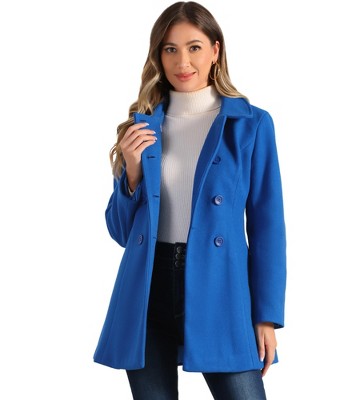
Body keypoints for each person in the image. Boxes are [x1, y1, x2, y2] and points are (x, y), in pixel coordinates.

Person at [93, 2, 286, 399]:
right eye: (170, 49)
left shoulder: (250, 124)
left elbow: (267, 226)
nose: (182, 61)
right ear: (158, 56)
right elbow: (121, 233)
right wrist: (131, 174)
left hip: (221, 288)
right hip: (146, 291)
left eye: (194, 47)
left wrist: (266, 317)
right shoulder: (141, 127)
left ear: (215, 51)